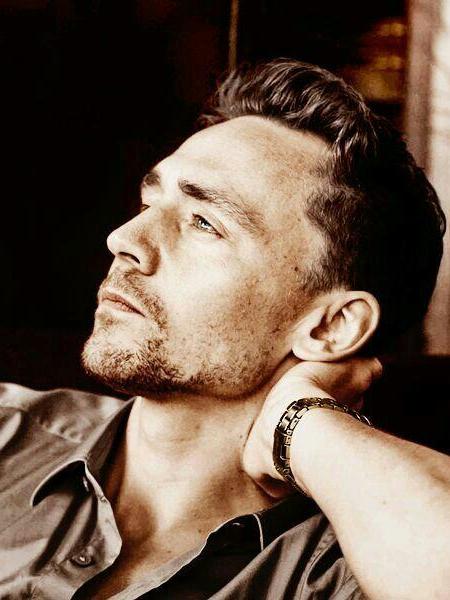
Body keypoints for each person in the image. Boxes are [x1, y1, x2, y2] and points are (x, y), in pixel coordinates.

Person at [0, 59, 449, 600]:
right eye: (149, 202)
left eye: (204, 223)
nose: (124, 239)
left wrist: (301, 421)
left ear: (330, 326)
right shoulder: (9, 432)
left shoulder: (345, 572)